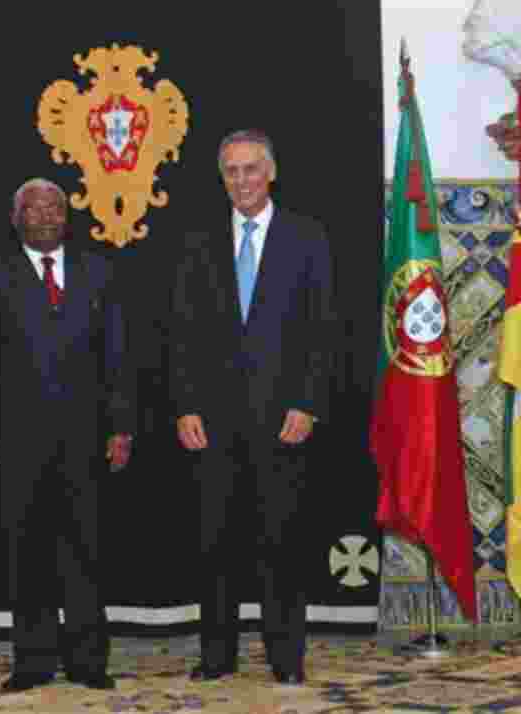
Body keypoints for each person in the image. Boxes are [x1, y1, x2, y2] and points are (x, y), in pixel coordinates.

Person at [168, 129, 336, 685]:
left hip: (282, 418)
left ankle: (286, 657)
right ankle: (217, 657)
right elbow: (182, 333)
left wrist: (308, 402)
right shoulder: (197, 242)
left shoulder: (307, 237)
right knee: (215, 543)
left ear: (271, 173)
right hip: (213, 424)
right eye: (231, 172)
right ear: (222, 180)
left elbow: (323, 329)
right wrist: (185, 405)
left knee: (281, 541)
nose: (241, 181)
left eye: (250, 169)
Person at [0, 178, 132, 692]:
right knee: (28, 552)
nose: (44, 216)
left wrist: (121, 425)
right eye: (33, 208)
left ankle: (88, 661)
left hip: (86, 438)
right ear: (16, 217)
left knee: (86, 550)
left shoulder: (99, 269)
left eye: (54, 207)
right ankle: (33, 661)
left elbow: (117, 356)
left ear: (67, 214)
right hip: (18, 440)